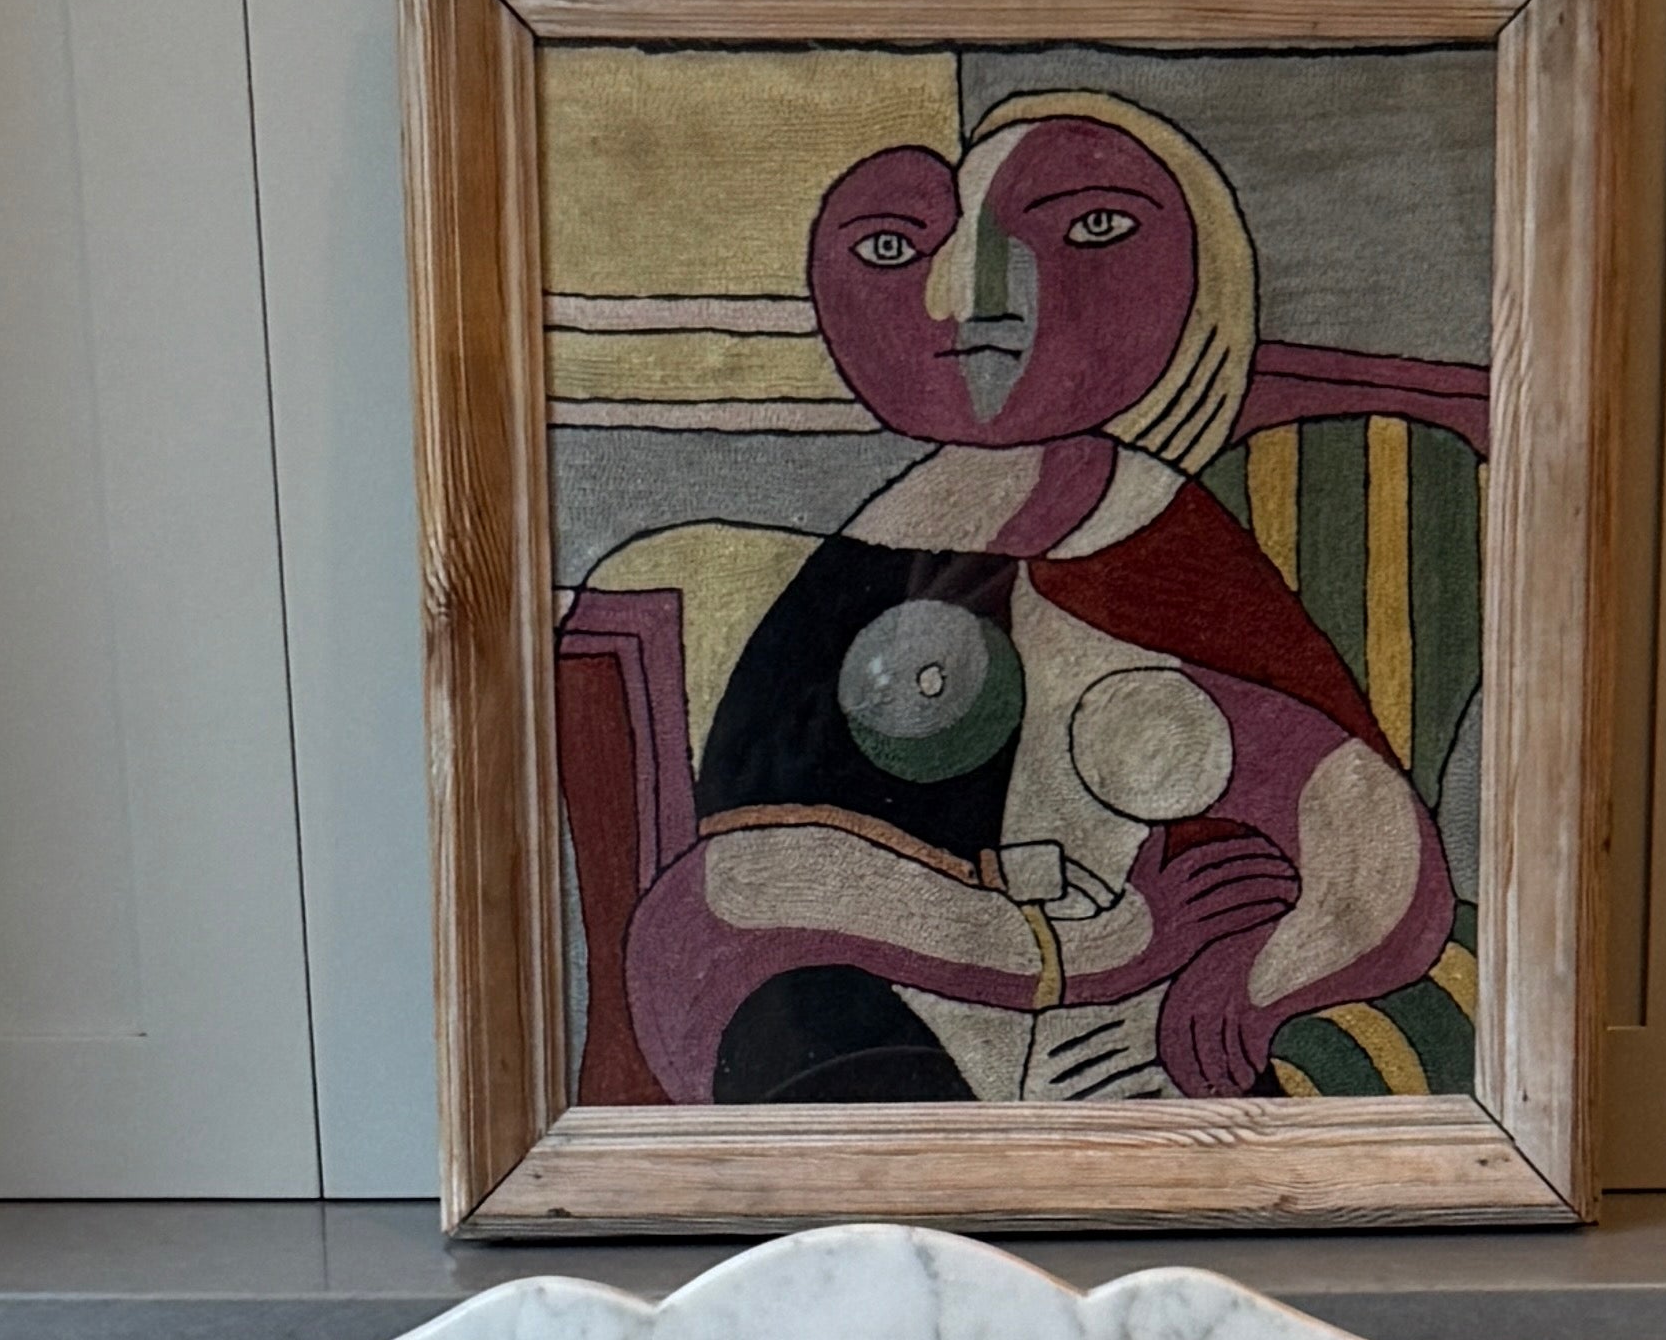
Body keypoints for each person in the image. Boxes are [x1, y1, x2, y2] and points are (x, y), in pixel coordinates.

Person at [614, 96, 1457, 1107]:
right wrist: (1088, 946)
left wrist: (1260, 977)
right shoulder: (871, 560)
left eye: (1090, 229)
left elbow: (1370, 841)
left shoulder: (1161, 542)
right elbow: (734, 892)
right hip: (895, 1035)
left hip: (1140, 1060)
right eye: (893, 246)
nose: (975, 299)